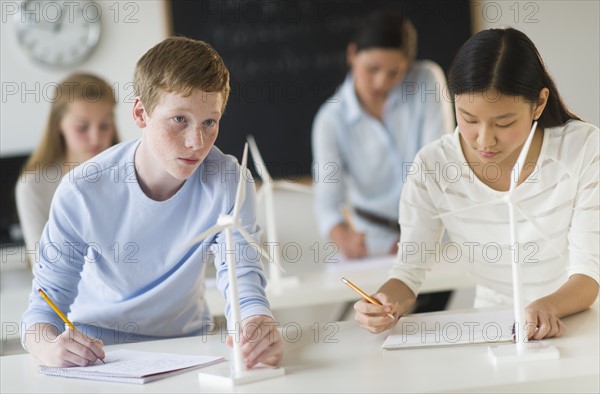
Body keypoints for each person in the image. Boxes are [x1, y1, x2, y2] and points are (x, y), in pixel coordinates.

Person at [21, 37, 283, 369]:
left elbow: (242, 277)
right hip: (100, 356)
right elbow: (41, 310)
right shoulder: (81, 191)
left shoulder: (230, 181)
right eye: (179, 120)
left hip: (190, 347)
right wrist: (48, 347)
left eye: (209, 122)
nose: (196, 142)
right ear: (140, 113)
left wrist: (256, 323)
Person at [354, 28, 599, 340]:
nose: (485, 139)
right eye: (468, 119)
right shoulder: (433, 167)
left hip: (576, 319)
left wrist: (546, 307)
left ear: (538, 104)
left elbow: (589, 273)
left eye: (504, 123)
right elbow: (407, 272)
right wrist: (385, 304)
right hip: (491, 321)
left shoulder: (582, 149)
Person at [312, 10, 454, 260]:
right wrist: (343, 238)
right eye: (372, 69)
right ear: (352, 54)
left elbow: (437, 166)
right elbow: (327, 202)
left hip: (431, 229)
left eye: (394, 73)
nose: (381, 82)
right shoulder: (329, 120)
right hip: (371, 244)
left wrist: (414, 234)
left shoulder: (426, 81)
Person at [15, 73, 120, 269]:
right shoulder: (34, 185)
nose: (96, 138)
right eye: (82, 127)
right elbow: (44, 264)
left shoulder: (129, 175)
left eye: (105, 126)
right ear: (58, 126)